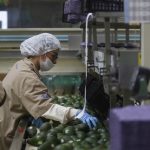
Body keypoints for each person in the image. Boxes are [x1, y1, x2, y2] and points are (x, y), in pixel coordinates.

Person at [0, 33, 98, 150]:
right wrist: (76, 113)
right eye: (54, 56)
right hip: (6, 128)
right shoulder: (26, 76)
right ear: (42, 53)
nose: (55, 61)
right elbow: (45, 108)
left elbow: (27, 97)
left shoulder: (21, 65)